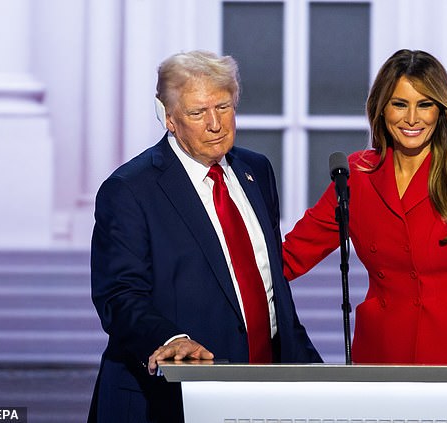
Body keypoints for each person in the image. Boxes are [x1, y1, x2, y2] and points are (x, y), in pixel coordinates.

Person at [88, 50, 321, 423]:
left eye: (223, 107)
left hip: (263, 391)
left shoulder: (256, 171)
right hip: (170, 398)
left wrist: (311, 373)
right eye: (197, 113)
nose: (215, 124)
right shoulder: (130, 190)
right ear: (169, 119)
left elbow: (269, 286)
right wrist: (169, 340)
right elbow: (119, 295)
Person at [282, 49, 447, 365]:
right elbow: (293, 255)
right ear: (381, 108)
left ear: (441, 111)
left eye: (425, 105)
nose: (411, 119)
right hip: (381, 353)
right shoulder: (356, 176)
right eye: (399, 104)